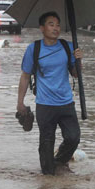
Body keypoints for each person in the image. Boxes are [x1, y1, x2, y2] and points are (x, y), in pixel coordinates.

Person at [16, 11, 83, 175]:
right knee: (46, 144)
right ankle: (48, 178)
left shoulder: (67, 47)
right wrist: (20, 103)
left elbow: (75, 74)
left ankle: (60, 161)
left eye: (58, 25)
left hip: (66, 102)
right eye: (51, 24)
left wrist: (79, 60)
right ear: (42, 28)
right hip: (45, 105)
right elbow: (25, 76)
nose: (55, 28)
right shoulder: (34, 49)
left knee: (73, 137)